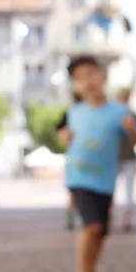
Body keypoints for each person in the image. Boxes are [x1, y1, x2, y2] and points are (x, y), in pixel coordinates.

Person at [58, 55, 136, 272]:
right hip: (78, 177)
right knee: (91, 226)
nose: (87, 82)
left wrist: (131, 130)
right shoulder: (73, 112)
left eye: (90, 74)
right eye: (80, 79)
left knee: (100, 232)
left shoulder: (119, 111)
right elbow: (62, 134)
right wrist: (63, 137)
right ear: (75, 86)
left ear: (103, 76)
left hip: (105, 180)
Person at [57, 92, 83, 231]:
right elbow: (60, 130)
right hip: (77, 157)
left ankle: (73, 216)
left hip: (78, 156)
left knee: (75, 190)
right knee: (75, 189)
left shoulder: (72, 113)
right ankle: (74, 217)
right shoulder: (72, 114)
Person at [114, 87, 136, 232]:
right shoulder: (131, 114)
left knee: (111, 188)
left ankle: (119, 216)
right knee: (128, 189)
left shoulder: (113, 115)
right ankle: (126, 217)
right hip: (127, 155)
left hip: (116, 156)